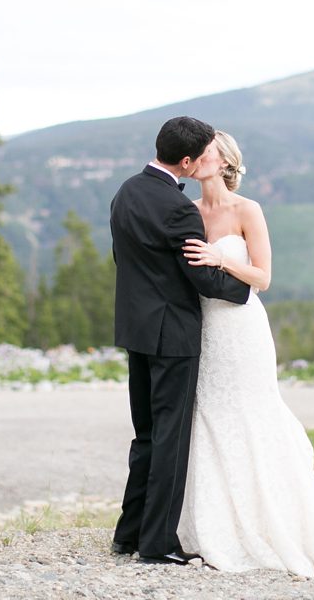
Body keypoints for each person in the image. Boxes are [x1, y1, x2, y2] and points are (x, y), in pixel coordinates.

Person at [177, 130, 314, 577]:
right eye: (195, 154)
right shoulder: (188, 212)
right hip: (203, 330)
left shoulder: (247, 209)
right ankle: (214, 525)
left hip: (242, 329)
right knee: (208, 417)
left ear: (225, 160)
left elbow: (263, 277)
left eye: (207, 151)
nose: (198, 158)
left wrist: (220, 259)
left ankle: (275, 525)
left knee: (253, 413)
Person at [110, 116, 252, 565]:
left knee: (146, 436)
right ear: (187, 160)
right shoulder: (180, 209)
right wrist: (242, 288)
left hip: (136, 330)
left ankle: (128, 534)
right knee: (170, 439)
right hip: (172, 335)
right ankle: (157, 544)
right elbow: (202, 279)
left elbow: (126, 259)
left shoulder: (126, 191)